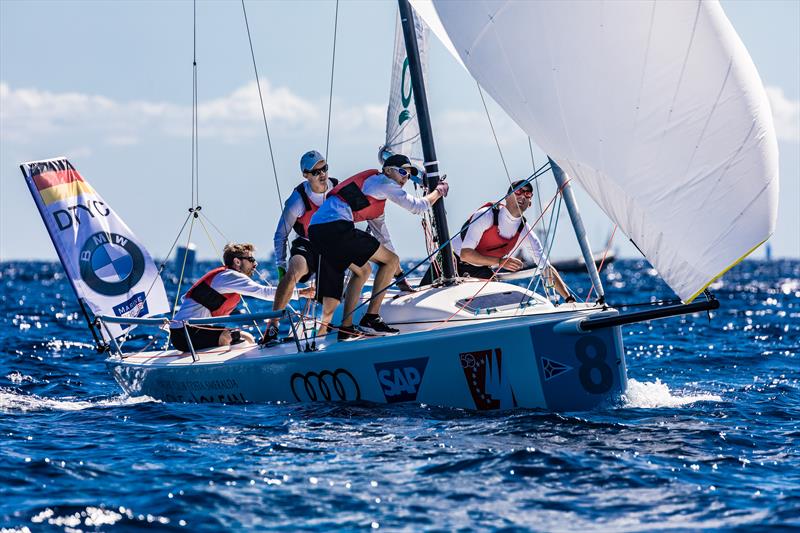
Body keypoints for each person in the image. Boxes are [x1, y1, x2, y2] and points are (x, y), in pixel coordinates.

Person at [308, 153, 448, 340]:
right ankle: (371, 318)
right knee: (389, 262)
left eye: (408, 175)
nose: (405, 178)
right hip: (335, 227)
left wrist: (399, 278)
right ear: (388, 171)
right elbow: (418, 206)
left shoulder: (376, 200)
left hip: (317, 231)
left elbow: (384, 241)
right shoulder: (383, 181)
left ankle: (346, 329)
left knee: (363, 271)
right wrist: (438, 191)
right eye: (402, 172)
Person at [423, 180, 574, 302]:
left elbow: (546, 268)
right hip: (450, 262)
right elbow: (465, 254)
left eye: (528, 194)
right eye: (518, 192)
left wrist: (568, 299)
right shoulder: (487, 215)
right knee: (422, 298)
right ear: (507, 197)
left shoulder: (524, 231)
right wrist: (501, 262)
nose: (523, 196)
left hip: (478, 269)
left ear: (530, 203)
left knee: (493, 300)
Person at [169, 243, 313, 352]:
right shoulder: (229, 276)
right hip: (184, 333)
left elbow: (186, 300)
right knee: (228, 337)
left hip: (193, 331)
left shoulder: (225, 278)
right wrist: (300, 293)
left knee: (247, 338)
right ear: (237, 262)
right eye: (251, 259)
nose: (255, 264)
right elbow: (263, 292)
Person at [263, 150, 339, 344]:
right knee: (294, 270)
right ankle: (273, 325)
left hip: (333, 243)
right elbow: (280, 235)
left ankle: (334, 327)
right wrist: (281, 267)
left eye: (324, 169)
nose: (322, 174)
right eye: (315, 172)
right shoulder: (297, 200)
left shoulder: (338, 189)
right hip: (307, 243)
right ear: (305, 175)